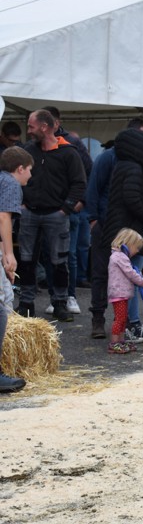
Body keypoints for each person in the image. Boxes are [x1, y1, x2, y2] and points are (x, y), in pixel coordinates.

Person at [86, 118, 143, 338]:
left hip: (118, 228)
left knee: (121, 280)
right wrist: (94, 219)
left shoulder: (129, 166)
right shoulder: (117, 161)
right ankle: (114, 323)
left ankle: (124, 326)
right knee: (115, 278)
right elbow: (97, 189)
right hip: (115, 229)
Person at [16, 109, 86, 321]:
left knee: (59, 262)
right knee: (26, 260)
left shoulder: (68, 152)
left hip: (56, 215)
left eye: (31, 126)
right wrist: (22, 203)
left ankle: (60, 303)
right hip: (30, 213)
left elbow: (79, 183)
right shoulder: (27, 151)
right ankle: (26, 303)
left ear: (44, 127)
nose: (28, 131)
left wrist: (65, 208)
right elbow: (14, 176)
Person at [102, 126, 143, 344]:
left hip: (120, 229)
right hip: (130, 234)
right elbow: (133, 199)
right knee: (132, 281)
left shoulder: (122, 166)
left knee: (125, 282)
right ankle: (131, 326)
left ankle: (127, 325)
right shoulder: (134, 169)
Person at [0, 147, 32, 392]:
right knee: (2, 307)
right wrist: (10, 254)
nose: (30, 176)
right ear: (20, 169)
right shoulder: (11, 183)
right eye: (29, 170)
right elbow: (3, 218)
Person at [106, 228, 143, 355]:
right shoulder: (120, 257)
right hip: (119, 293)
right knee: (120, 319)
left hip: (121, 293)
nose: (137, 251)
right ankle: (114, 343)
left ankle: (121, 341)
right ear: (128, 243)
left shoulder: (119, 256)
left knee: (123, 318)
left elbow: (130, 271)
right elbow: (130, 273)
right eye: (136, 248)